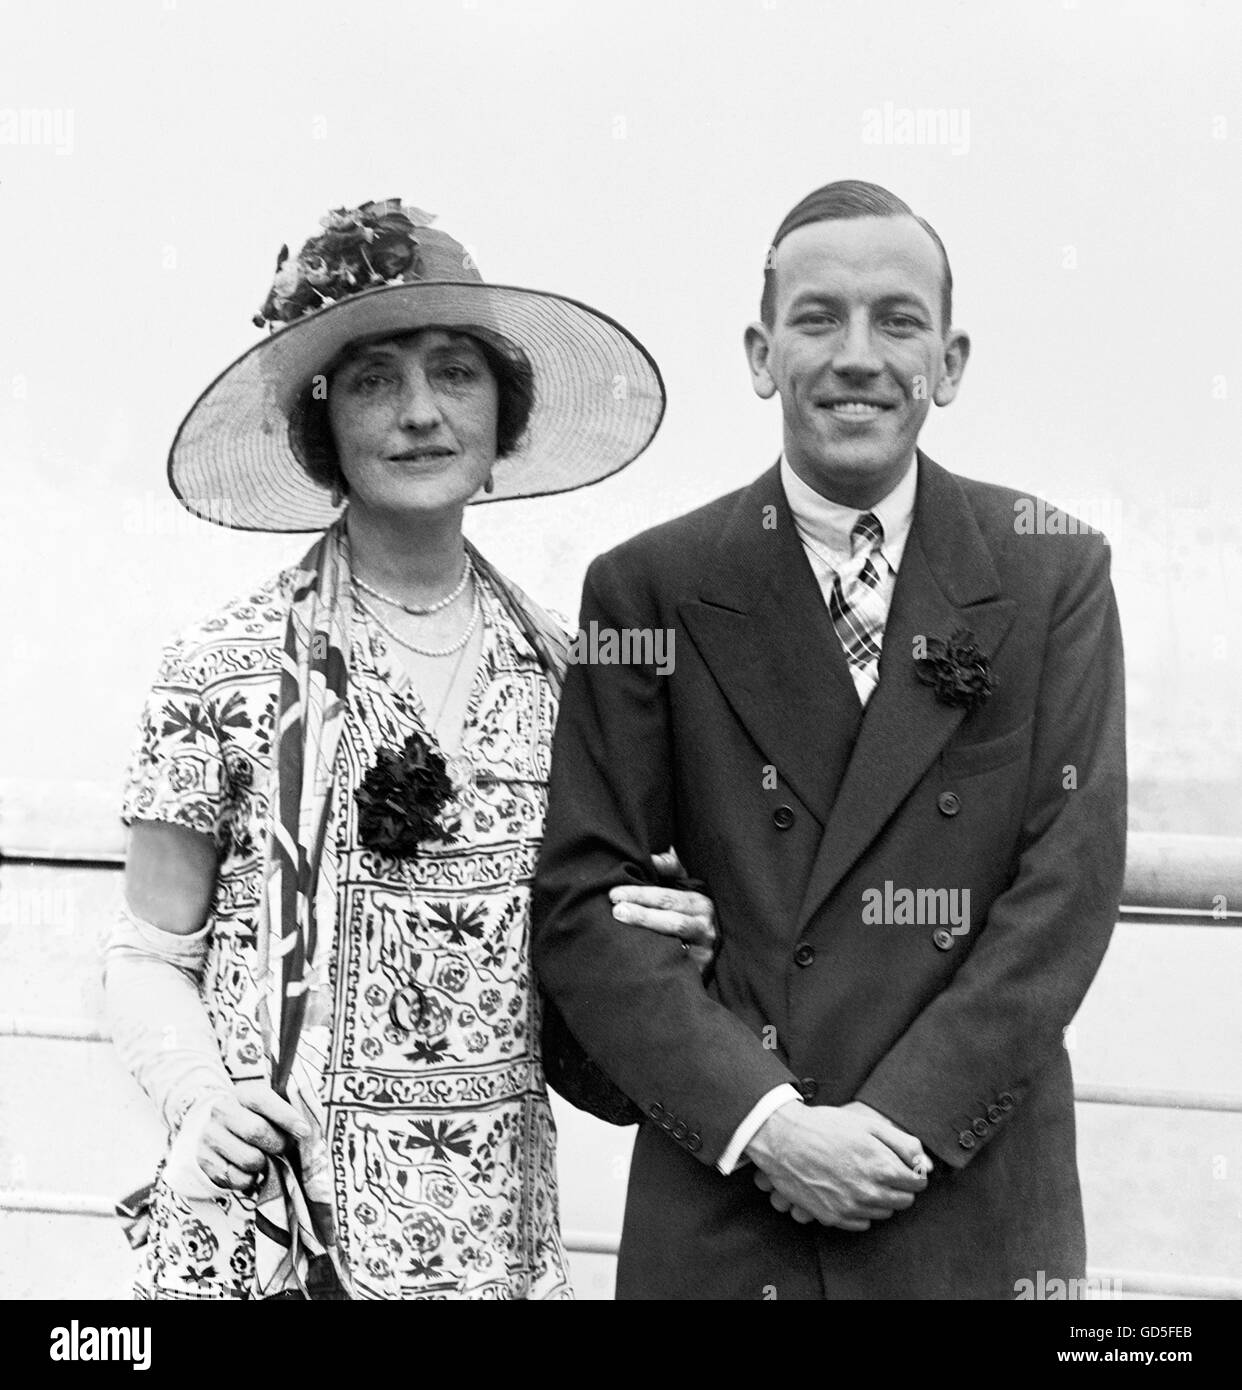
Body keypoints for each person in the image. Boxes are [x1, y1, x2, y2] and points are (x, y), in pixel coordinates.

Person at [103, 198, 715, 1301]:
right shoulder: (220, 669)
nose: (420, 413)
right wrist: (201, 1097)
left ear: (503, 412)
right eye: (376, 378)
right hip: (275, 1243)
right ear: (321, 422)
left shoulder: (571, 681)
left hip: (496, 1244)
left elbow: (594, 966)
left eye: (455, 372)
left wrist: (676, 938)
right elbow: (147, 955)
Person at [533, 179, 1127, 1299]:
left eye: (896, 320)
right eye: (818, 318)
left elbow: (1069, 889)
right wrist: (769, 1125)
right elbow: (581, 901)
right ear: (762, 354)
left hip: (967, 1203)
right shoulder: (647, 586)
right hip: (729, 1198)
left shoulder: (1053, 571)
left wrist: (894, 1127)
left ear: (949, 363)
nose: (857, 354)